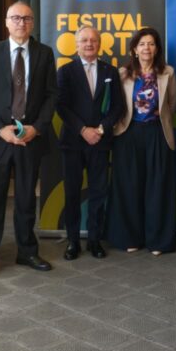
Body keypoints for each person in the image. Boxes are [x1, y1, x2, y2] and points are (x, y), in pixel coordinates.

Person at [0, 2, 57, 278]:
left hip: (30, 138)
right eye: (16, 18)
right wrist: (0, 129)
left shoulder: (45, 53)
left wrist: (38, 128)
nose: (21, 22)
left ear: (33, 22)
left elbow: (51, 95)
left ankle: (27, 251)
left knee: (25, 199)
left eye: (27, 18)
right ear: (7, 22)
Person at [107, 27, 176, 255]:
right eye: (142, 44)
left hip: (157, 133)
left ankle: (158, 241)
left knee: (158, 187)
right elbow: (116, 104)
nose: (147, 48)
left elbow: (172, 104)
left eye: (151, 44)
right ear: (134, 49)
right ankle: (130, 237)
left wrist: (158, 117)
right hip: (128, 134)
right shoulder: (123, 74)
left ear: (157, 49)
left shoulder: (168, 73)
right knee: (129, 186)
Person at [55, 25, 124, 260]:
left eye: (93, 40)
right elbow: (61, 106)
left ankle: (95, 240)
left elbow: (118, 106)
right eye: (84, 40)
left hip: (100, 142)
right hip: (73, 142)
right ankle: (73, 241)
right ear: (76, 44)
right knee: (72, 193)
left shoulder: (110, 71)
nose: (89, 44)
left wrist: (101, 130)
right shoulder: (65, 71)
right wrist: (83, 130)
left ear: (99, 44)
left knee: (98, 193)